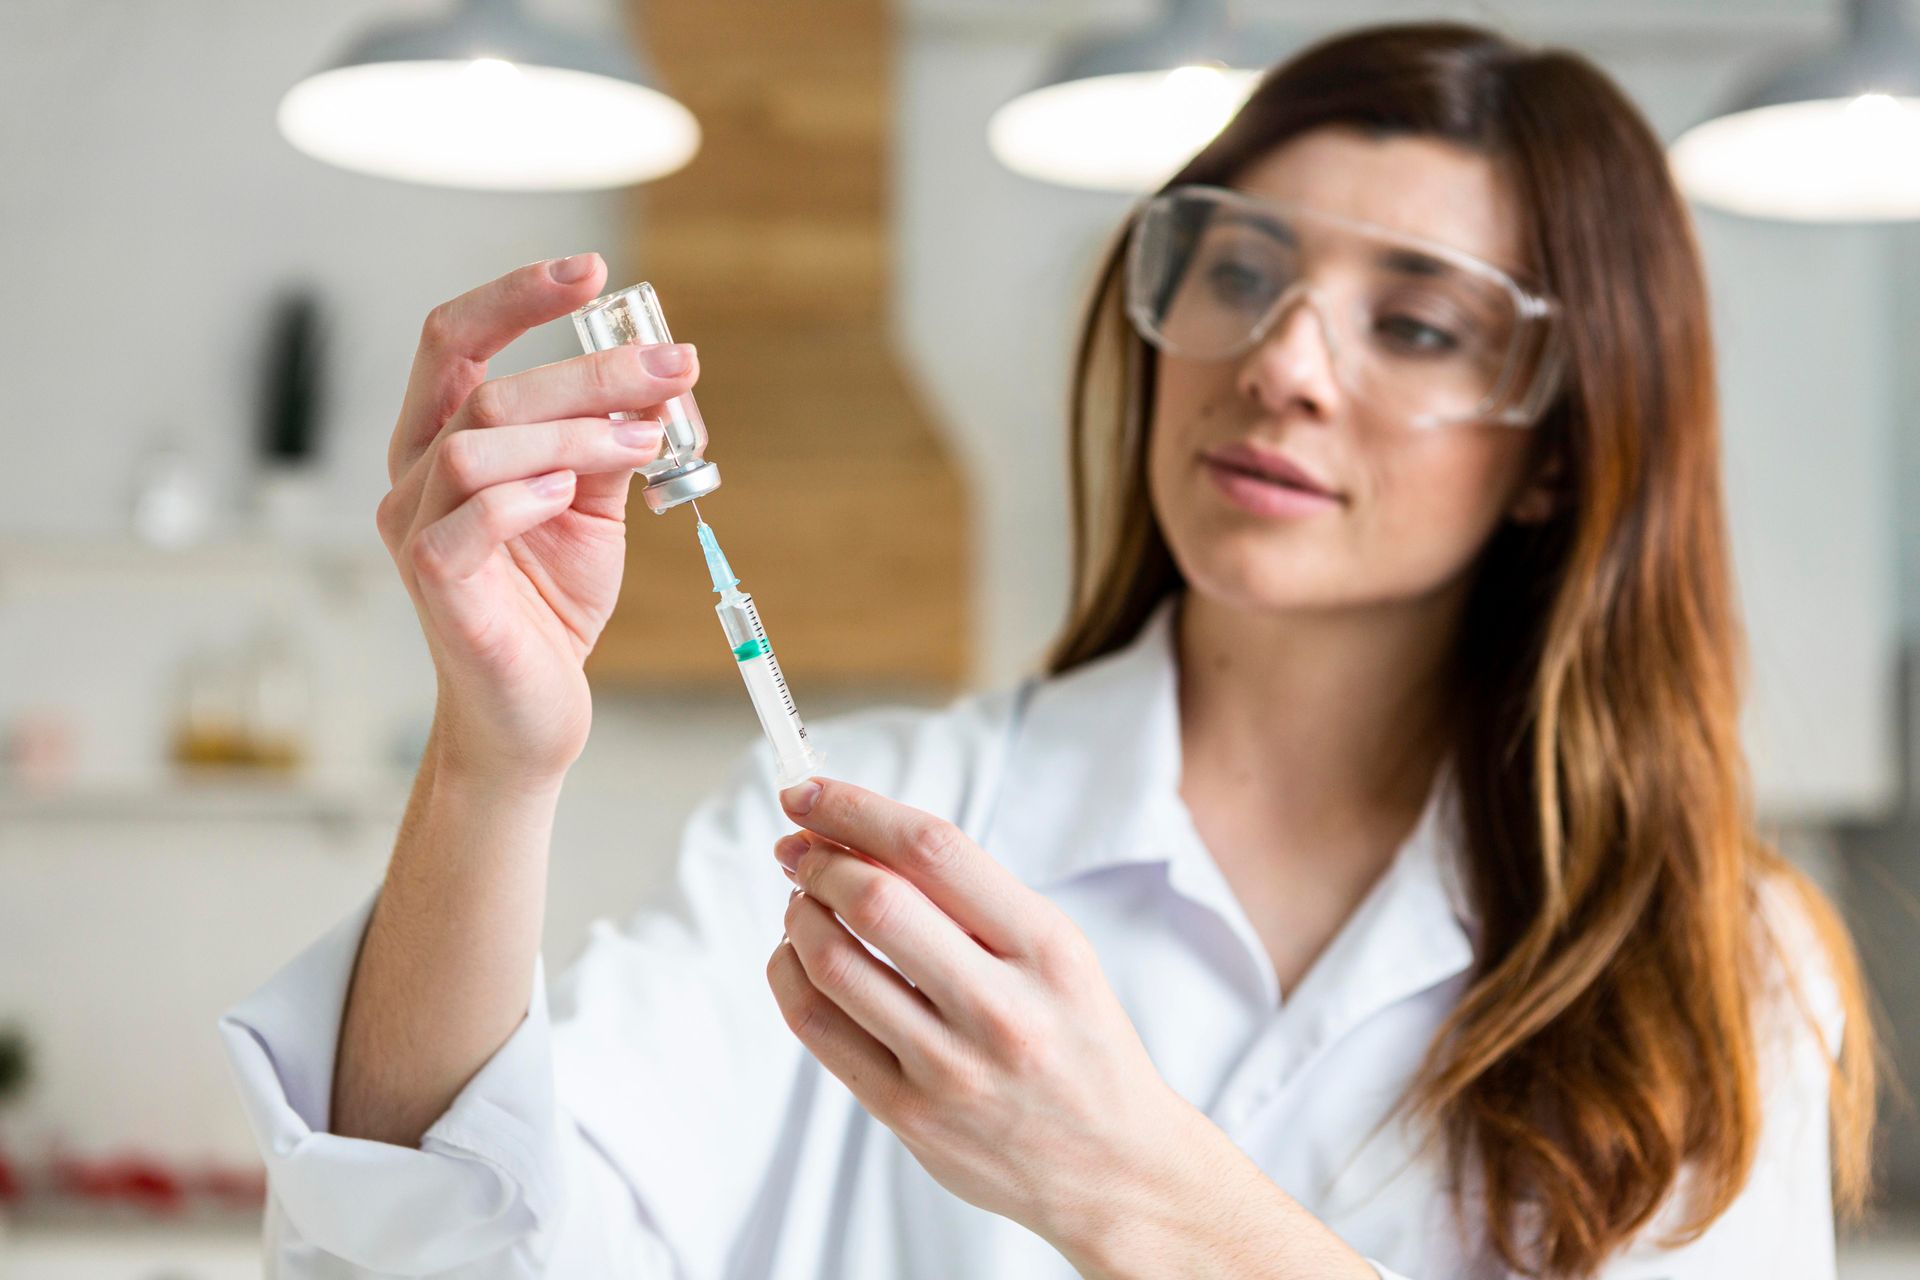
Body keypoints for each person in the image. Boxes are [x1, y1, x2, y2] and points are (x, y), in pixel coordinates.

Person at [219, 21, 1877, 1279]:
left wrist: (1132, 1185)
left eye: (1416, 321)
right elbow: (441, 1246)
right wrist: (492, 761)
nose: (1284, 361)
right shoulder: (870, 820)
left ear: (1561, 453)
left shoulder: (1707, 963)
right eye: (1241, 268)